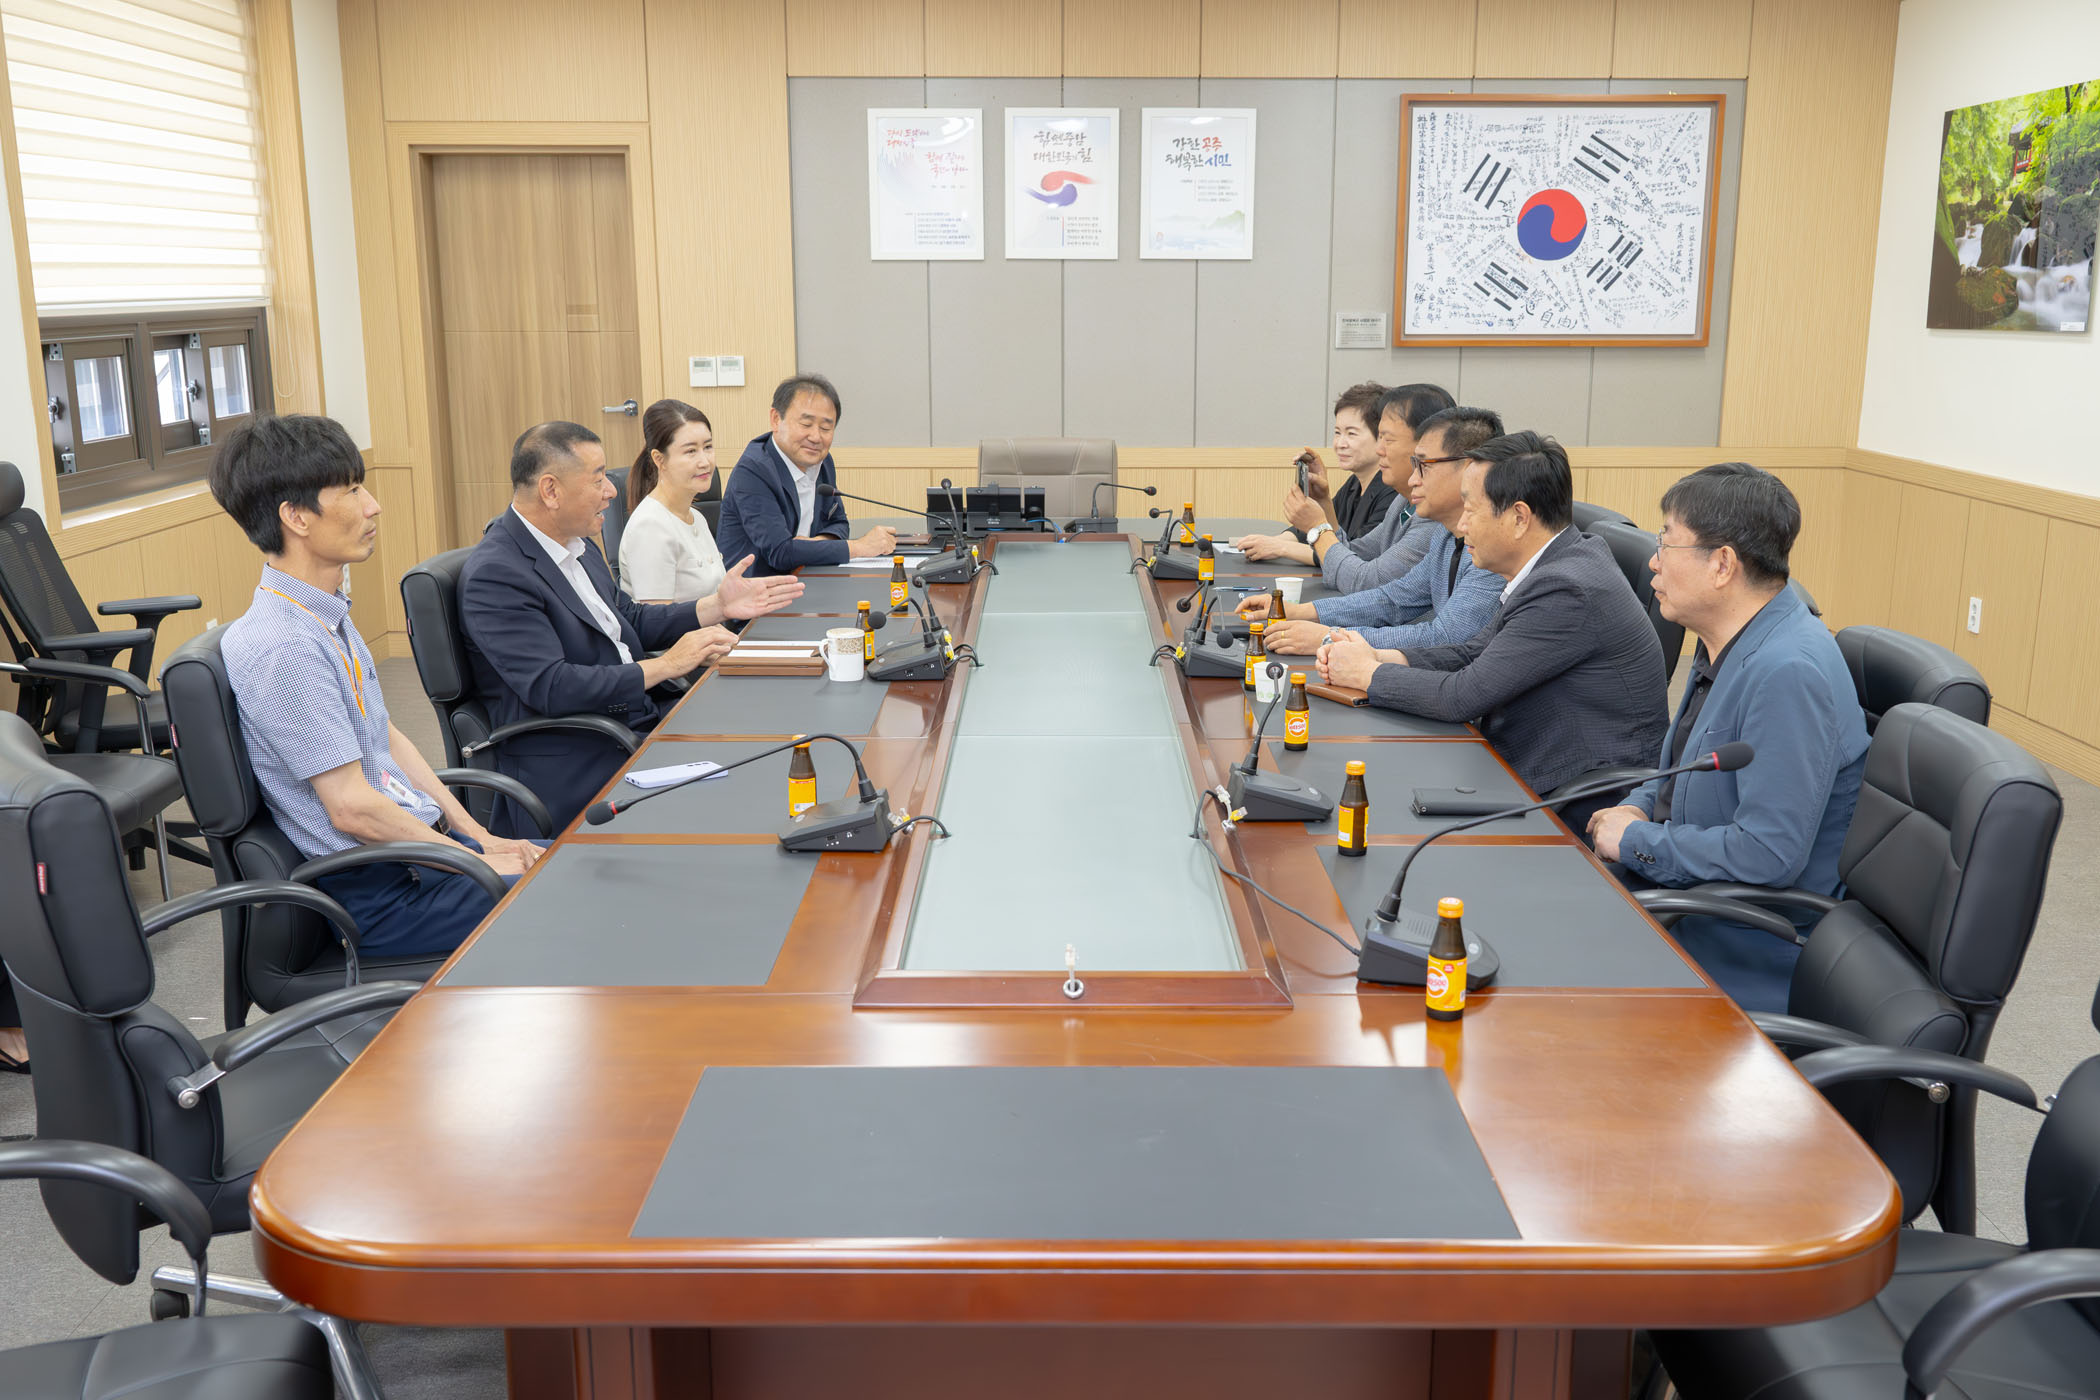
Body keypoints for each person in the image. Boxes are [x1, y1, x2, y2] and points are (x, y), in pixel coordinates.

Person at [210, 414, 547, 960]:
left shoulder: (325, 613)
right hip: (387, 894)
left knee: (589, 861)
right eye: (350, 491)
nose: (373, 506)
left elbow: (385, 737)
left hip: (422, 856)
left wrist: (478, 836)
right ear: (295, 516)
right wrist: (474, 861)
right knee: (577, 892)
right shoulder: (283, 644)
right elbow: (350, 809)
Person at [1586, 464, 1868, 1011]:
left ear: (1722, 565)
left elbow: (1768, 853)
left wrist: (1638, 840)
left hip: (1738, 938)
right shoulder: (1727, 637)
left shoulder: (1788, 672)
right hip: (1685, 895)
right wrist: (1638, 806)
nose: (1653, 561)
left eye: (1667, 542)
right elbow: (1684, 767)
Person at [460, 421, 805, 835]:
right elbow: (552, 686)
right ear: (550, 490)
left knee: (766, 728)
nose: (611, 490)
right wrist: (666, 665)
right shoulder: (497, 574)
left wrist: (716, 606)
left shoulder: (577, 544)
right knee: (743, 786)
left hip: (634, 715)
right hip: (582, 750)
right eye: (598, 479)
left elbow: (629, 621)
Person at [1316, 431, 1668, 822]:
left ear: (1519, 518)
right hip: (1520, 763)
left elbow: (1462, 696)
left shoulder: (1566, 588)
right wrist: (1381, 656)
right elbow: (1473, 652)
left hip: (1571, 802)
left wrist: (1368, 674)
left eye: (1471, 509)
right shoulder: (1555, 563)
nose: (1462, 524)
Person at [1237, 406, 1505, 656]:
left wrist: (1330, 637)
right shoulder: (1445, 535)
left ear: (1470, 469)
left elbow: (1444, 637)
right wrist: (1301, 612)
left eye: (1424, 466)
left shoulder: (1493, 549)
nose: (1414, 479)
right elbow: (1393, 600)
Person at [1239, 382, 1454, 594]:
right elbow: (1352, 553)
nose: (1379, 449)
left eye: (1387, 439)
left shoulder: (1433, 518)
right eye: (1337, 433)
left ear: (1425, 446)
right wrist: (1323, 503)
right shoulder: (1402, 502)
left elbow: (1366, 581)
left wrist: (1316, 529)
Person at [716, 373, 898, 576]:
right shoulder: (753, 471)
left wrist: (812, 545)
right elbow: (780, 552)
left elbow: (839, 523)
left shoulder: (822, 461)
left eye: (826, 428)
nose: (816, 437)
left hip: (806, 578)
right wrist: (860, 547)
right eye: (806, 424)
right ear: (776, 419)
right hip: (756, 588)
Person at [1231, 383, 1397, 564]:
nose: (1340, 444)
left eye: (1351, 434)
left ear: (1382, 437)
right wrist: (1270, 542)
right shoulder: (1354, 484)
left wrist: (1280, 547)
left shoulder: (1394, 492)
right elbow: (1319, 529)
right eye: (1337, 433)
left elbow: (1352, 555)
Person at [620, 399, 726, 603]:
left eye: (708, 447)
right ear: (659, 459)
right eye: (691, 451)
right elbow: (657, 618)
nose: (705, 462)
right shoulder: (650, 526)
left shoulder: (696, 517)